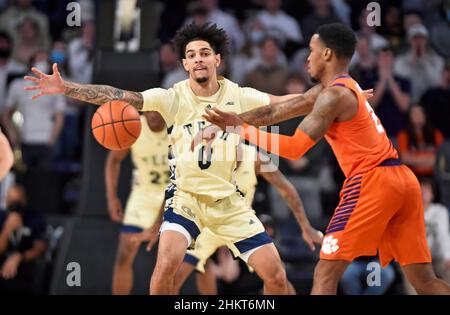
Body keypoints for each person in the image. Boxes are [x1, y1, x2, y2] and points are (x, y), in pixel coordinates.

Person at [23, 23, 324, 295]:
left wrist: (333, 93)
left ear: (217, 59)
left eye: (205, 53)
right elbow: (117, 95)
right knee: (166, 266)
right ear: (184, 64)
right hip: (185, 199)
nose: (198, 59)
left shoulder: (238, 94)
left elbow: (287, 104)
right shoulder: (172, 97)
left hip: (228, 202)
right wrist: (66, 88)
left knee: (277, 277)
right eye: (191, 55)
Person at [200, 23, 450, 295]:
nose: (307, 57)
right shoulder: (337, 88)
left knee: (325, 273)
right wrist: (231, 121)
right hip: (403, 179)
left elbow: (295, 148)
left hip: (372, 181)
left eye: (312, 50)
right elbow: (276, 113)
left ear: (327, 54)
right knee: (425, 281)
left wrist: (239, 129)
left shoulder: (333, 95)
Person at [173, 144, 316, 294]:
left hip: (240, 223)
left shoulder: (256, 159)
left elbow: (286, 189)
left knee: (277, 276)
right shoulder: (201, 157)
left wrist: (306, 226)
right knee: (173, 276)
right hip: (208, 225)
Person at [105, 111, 168, 295]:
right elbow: (113, 160)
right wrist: (111, 197)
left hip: (176, 196)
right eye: (148, 109)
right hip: (144, 195)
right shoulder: (133, 127)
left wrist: (159, 222)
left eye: (158, 108)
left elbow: (182, 180)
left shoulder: (178, 128)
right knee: (124, 253)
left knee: (177, 261)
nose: (153, 114)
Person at [0, 184, 48, 294]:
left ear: (24, 201)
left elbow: (41, 247)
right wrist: (7, 229)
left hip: (26, 267)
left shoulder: (35, 217)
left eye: (17, 200)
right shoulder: (1, 217)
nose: (14, 204)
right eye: (10, 199)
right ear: (5, 200)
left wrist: (19, 256)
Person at [397, 105, 443, 177]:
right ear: (409, 117)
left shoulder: (436, 134)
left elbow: (440, 158)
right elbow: (405, 158)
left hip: (434, 176)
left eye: (420, 113)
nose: (417, 116)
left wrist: (414, 159)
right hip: (412, 176)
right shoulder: (403, 135)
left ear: (425, 115)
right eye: (414, 113)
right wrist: (430, 159)